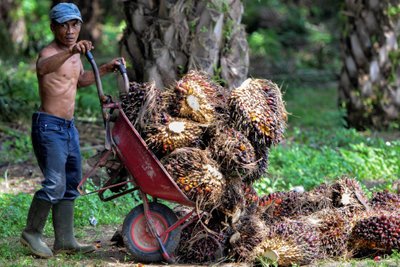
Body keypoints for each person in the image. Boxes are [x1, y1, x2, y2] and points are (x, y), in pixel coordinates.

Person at [20, 3, 125, 258]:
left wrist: (105, 68)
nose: (70, 30)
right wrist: (70, 51)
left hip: (68, 127)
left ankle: (65, 240)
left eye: (74, 24)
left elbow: (78, 81)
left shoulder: (75, 54)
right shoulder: (49, 52)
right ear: (53, 27)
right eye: (64, 25)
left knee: (70, 182)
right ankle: (31, 233)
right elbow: (43, 68)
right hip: (49, 126)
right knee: (54, 183)